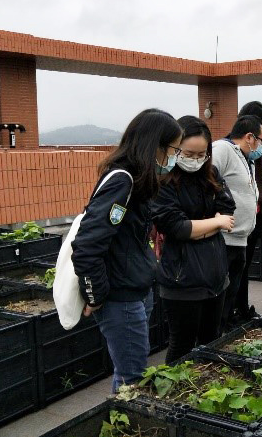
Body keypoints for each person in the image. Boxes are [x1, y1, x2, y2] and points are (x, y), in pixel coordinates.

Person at [71, 108, 182, 392]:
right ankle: (123, 420)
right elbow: (87, 244)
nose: (174, 158)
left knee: (131, 373)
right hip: (120, 295)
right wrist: (95, 294)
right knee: (131, 379)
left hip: (135, 288)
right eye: (173, 150)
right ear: (155, 146)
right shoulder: (123, 181)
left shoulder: (136, 181)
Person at [152, 116, 236, 363]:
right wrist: (215, 223)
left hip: (215, 274)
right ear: (175, 148)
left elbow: (227, 209)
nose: (196, 160)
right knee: (182, 345)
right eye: (189, 154)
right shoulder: (164, 180)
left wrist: (199, 228)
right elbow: (176, 227)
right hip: (182, 278)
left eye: (202, 155)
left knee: (212, 340)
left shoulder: (211, 174)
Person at [211, 115, 262, 332]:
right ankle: (214, 336)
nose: (261, 146)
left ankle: (223, 332)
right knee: (220, 296)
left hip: (241, 238)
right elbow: (207, 180)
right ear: (249, 137)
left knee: (231, 294)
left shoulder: (244, 157)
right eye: (261, 141)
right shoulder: (222, 150)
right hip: (224, 238)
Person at [233, 101, 262, 323]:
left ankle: (243, 309)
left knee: (245, 267)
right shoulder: (230, 151)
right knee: (236, 269)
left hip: (255, 218)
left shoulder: (258, 152)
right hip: (237, 224)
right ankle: (232, 313)